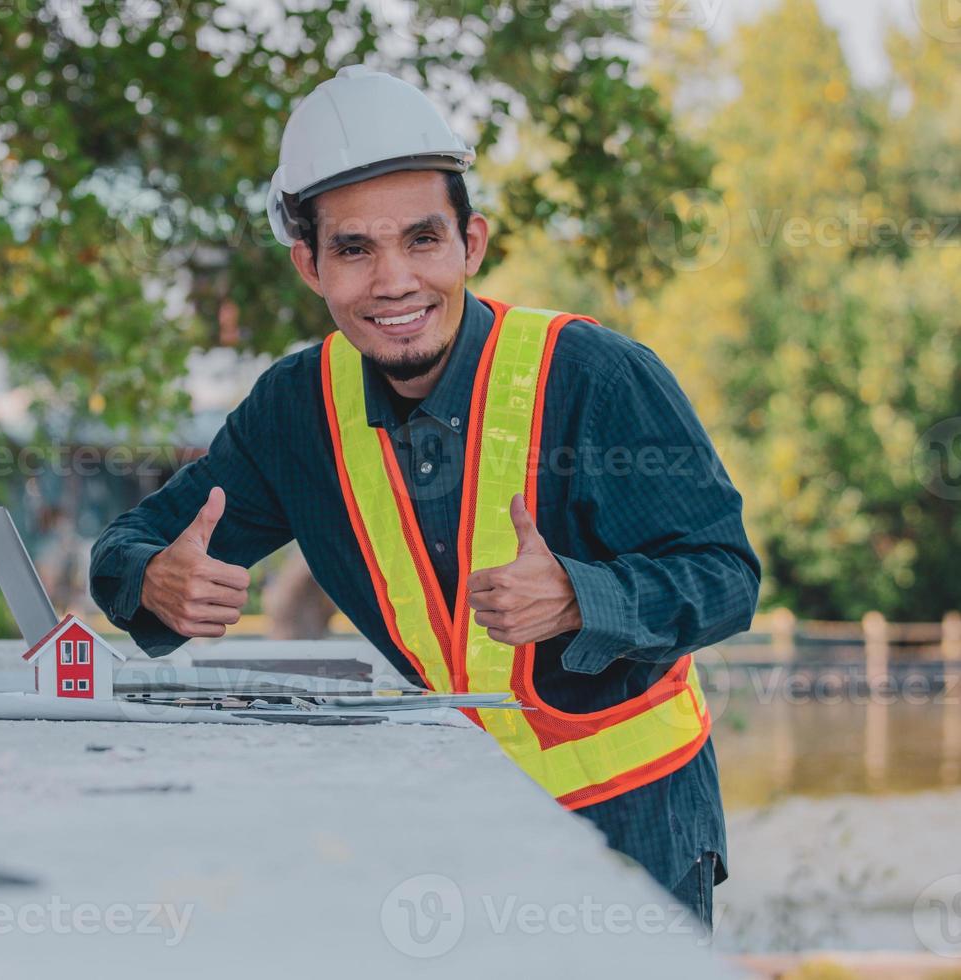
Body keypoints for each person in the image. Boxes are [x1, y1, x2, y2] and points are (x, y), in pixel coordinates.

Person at [89, 65, 759, 930]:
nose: (394, 281)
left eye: (423, 240)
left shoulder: (595, 377)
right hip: (449, 838)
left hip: (633, 835)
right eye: (355, 250)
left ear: (471, 244)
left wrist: (581, 598)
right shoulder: (296, 412)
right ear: (309, 265)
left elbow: (726, 577)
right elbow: (132, 542)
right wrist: (149, 580)